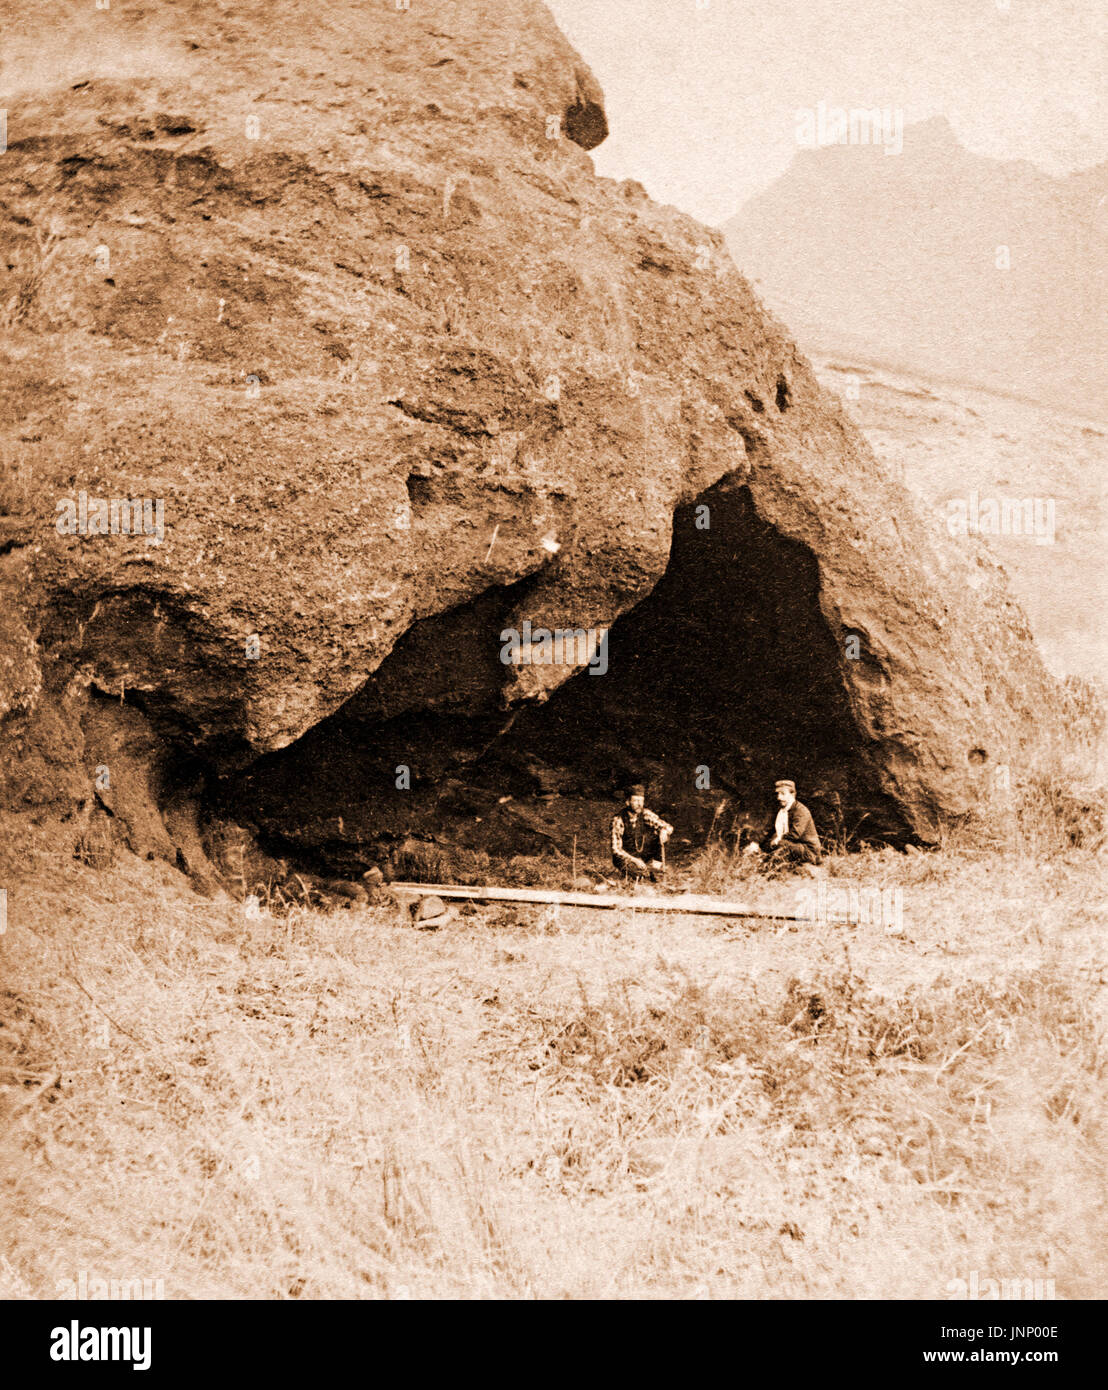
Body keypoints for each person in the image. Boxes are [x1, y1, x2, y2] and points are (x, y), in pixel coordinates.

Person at [744, 779, 821, 870]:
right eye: (778, 794)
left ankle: (769, 868)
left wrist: (776, 841)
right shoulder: (780, 810)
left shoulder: (801, 811)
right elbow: (768, 829)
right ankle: (762, 864)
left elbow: (795, 835)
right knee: (766, 844)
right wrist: (756, 842)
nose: (779, 798)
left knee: (780, 843)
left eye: (783, 794)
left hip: (808, 850)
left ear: (792, 794)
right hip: (792, 846)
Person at [610, 783, 672, 882]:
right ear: (628, 802)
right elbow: (616, 849)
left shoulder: (645, 814)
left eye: (641, 801)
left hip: (642, 854)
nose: (639, 804)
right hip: (626, 858)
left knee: (662, 837)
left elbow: (668, 827)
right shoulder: (618, 819)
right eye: (636, 800)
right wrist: (635, 860)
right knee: (639, 876)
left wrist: (664, 831)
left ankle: (655, 869)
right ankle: (637, 874)